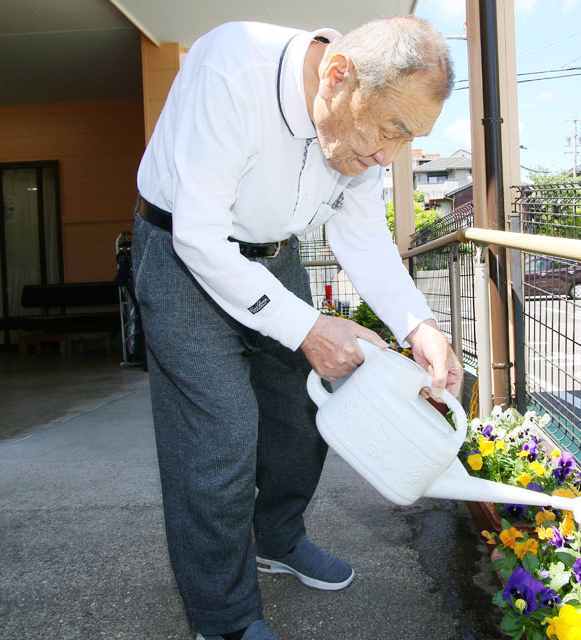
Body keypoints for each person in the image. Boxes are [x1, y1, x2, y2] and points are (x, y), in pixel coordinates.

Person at [133, 16, 463, 640]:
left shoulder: (357, 129)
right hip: (182, 254)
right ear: (338, 75)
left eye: (408, 139)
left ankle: (276, 537)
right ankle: (224, 618)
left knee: (300, 415)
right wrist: (308, 328)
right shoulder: (233, 67)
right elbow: (198, 236)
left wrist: (419, 325)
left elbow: (362, 235)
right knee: (219, 442)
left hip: (273, 256)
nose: (387, 155)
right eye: (391, 130)